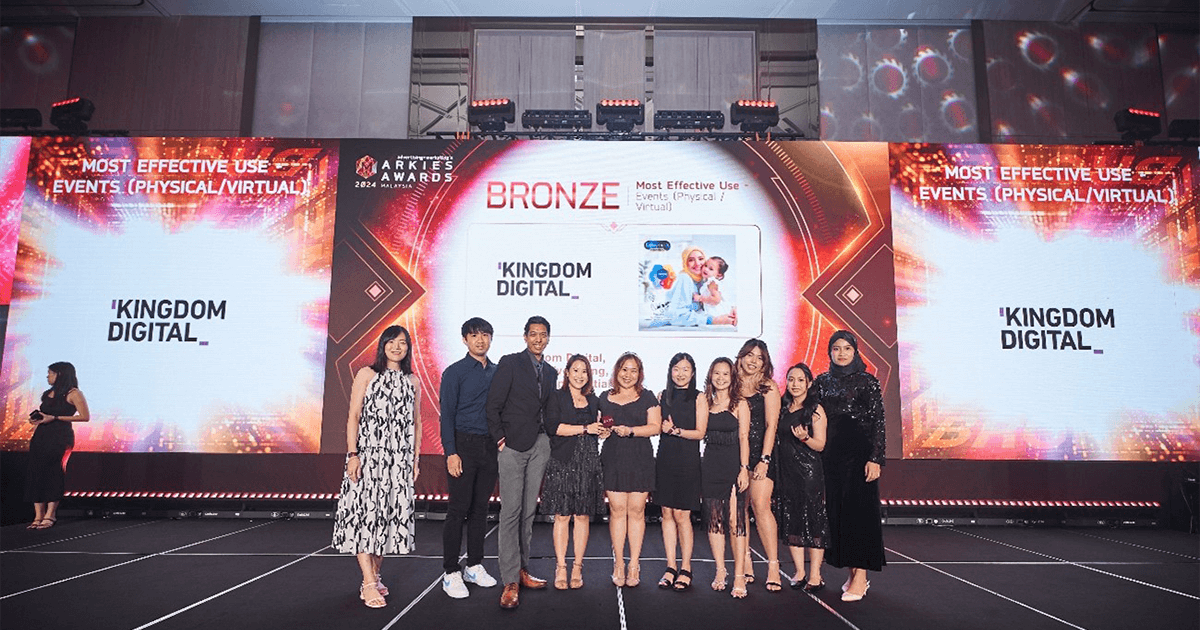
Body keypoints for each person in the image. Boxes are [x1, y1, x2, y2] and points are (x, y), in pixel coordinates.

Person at [332, 325, 422, 609]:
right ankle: (369, 582)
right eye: (391, 342)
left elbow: (416, 424)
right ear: (383, 345)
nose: (397, 347)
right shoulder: (367, 374)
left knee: (388, 520)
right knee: (364, 517)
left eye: (403, 343)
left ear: (408, 348)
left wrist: (415, 460)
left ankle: (374, 576)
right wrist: (353, 454)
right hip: (369, 459)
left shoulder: (413, 381)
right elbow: (354, 416)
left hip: (399, 462)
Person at [487, 315, 556, 609]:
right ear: (525, 336)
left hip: (540, 445)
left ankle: (522, 570)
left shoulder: (551, 372)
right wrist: (501, 440)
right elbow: (493, 405)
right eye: (533, 334)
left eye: (543, 334)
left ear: (548, 338)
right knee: (511, 513)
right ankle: (509, 581)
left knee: (528, 513)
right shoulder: (510, 363)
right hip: (513, 446)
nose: (538, 339)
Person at [813, 330, 886, 602]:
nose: (841, 353)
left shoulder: (868, 382)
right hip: (831, 457)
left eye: (846, 348)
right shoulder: (822, 381)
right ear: (830, 352)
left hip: (860, 457)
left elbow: (878, 422)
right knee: (839, 515)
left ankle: (861, 576)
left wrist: (875, 458)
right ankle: (852, 573)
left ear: (855, 352)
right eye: (836, 348)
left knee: (860, 516)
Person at [439, 317, 500, 599]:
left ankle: (474, 566)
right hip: (463, 445)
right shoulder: (454, 372)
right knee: (457, 510)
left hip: (490, 447)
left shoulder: (498, 372)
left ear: (491, 338)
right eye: (474, 335)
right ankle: (451, 571)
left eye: (485, 335)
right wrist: (451, 452)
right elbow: (447, 415)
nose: (480, 340)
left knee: (480, 510)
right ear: (465, 340)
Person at [541, 354, 609, 590]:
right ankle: (561, 566)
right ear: (567, 372)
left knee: (582, 516)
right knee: (562, 516)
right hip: (562, 461)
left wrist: (603, 431)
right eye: (576, 370)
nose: (580, 375)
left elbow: (600, 426)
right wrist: (585, 428)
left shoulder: (593, 400)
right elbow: (554, 427)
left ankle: (578, 567)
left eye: (584, 371)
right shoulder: (556, 397)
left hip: (588, 461)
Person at [598, 352, 661, 588]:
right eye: (624, 369)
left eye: (633, 370)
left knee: (636, 511)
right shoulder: (604, 397)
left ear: (639, 374)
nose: (628, 375)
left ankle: (634, 563)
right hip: (613, 458)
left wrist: (631, 431)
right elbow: (601, 425)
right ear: (617, 371)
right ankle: (618, 563)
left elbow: (655, 427)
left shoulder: (647, 397)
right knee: (616, 511)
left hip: (640, 459)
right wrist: (603, 432)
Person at [772, 362, 829, 592]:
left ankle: (815, 574)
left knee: (813, 522)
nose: (795, 384)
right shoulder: (782, 408)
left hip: (809, 473)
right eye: (791, 379)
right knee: (792, 519)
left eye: (800, 380)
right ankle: (799, 572)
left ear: (809, 383)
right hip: (786, 473)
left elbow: (821, 445)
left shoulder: (815, 409)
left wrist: (805, 438)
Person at [698, 357, 751, 598]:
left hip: (733, 465)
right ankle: (721, 570)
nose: (721, 378)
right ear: (711, 376)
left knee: (734, 521)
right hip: (710, 465)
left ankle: (739, 575)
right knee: (714, 520)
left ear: (732, 378)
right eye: (717, 373)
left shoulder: (740, 403)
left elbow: (744, 438)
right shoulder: (705, 402)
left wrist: (744, 468)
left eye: (725, 374)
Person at [736, 339, 783, 592]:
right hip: (734, 453)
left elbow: (771, 426)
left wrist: (764, 459)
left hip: (761, 455)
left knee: (761, 506)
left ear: (765, 362)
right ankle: (745, 560)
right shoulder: (731, 384)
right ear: (741, 356)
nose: (753, 361)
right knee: (739, 509)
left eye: (759, 357)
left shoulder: (768, 387)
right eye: (749, 355)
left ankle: (773, 565)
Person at [655, 352, 704, 591]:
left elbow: (700, 432)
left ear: (692, 373)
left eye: (685, 369)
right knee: (666, 513)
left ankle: (686, 567)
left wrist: (675, 431)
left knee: (683, 516)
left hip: (687, 460)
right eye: (676, 369)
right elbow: (656, 427)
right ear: (670, 371)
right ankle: (670, 566)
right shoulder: (662, 396)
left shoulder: (699, 397)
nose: (680, 373)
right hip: (665, 459)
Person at [25, 361, 90, 529]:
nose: (48, 376)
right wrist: (38, 419)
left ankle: (50, 514)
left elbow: (84, 416)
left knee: (54, 471)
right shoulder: (48, 393)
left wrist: (55, 418)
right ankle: (38, 515)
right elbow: (45, 414)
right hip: (41, 435)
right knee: (36, 471)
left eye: (51, 373)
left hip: (60, 436)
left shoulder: (73, 393)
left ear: (60, 374)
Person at [656, 246, 736, 327]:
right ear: (685, 263)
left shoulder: (704, 280)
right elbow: (675, 316)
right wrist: (713, 320)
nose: (697, 263)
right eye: (691, 260)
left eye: (701, 259)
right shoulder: (684, 279)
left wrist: (733, 310)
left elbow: (720, 298)